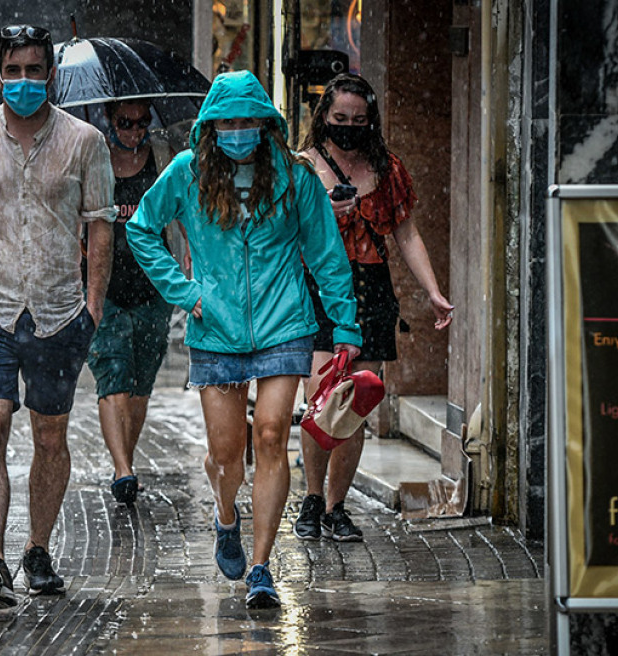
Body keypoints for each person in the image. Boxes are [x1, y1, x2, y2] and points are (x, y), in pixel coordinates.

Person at [127, 70, 361, 609]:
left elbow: (327, 254)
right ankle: (225, 515)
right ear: (212, 126)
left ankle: (261, 567)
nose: (237, 130)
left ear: (264, 124)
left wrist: (345, 326)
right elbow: (141, 228)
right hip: (217, 328)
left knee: (274, 434)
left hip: (285, 323)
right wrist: (186, 293)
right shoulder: (188, 173)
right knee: (227, 455)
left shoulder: (295, 177)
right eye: (226, 122)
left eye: (246, 121)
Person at [0, 24, 115, 609]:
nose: (25, 82)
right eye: (14, 71)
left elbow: (101, 225)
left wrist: (93, 305)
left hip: (60, 312)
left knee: (49, 434)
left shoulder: (86, 142)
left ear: (51, 75)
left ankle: (37, 547)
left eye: (36, 71)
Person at [294, 73, 453, 543]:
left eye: (358, 120)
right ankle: (312, 497)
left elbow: (407, 233)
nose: (348, 127)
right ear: (324, 116)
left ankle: (337, 507)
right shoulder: (301, 168)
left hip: (371, 291)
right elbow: (280, 237)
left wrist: (433, 291)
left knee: (356, 402)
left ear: (371, 121)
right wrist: (324, 213)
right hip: (318, 289)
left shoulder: (386, 169)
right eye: (340, 118)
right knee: (320, 400)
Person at [88, 99, 177, 506]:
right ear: (109, 119)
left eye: (143, 123)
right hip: (104, 287)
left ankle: (126, 458)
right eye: (126, 123)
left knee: (141, 384)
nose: (135, 131)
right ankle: (123, 469)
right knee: (113, 376)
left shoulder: (162, 158)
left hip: (153, 288)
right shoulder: (93, 159)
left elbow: (181, 209)